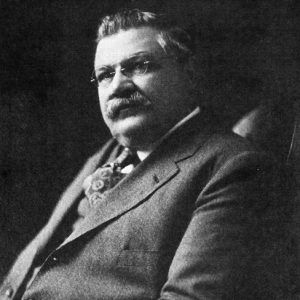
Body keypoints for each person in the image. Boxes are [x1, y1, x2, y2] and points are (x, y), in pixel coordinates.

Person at [0, 8, 294, 300]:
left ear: (188, 73)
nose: (118, 86)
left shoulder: (232, 168)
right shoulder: (107, 155)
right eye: (105, 75)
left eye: (139, 66)